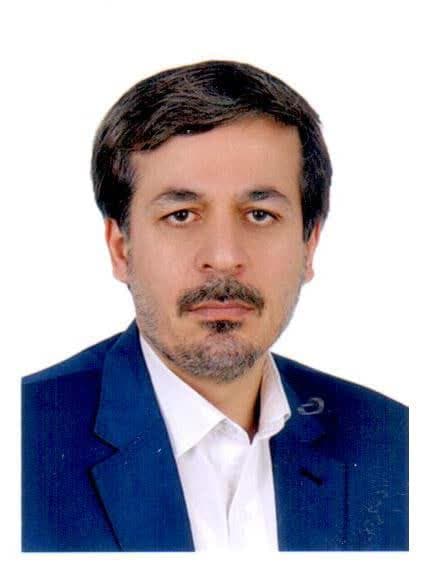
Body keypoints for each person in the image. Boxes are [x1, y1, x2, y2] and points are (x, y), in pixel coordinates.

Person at [21, 60, 408, 552]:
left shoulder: (394, 442)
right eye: (182, 215)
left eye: (260, 214)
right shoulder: (23, 439)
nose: (224, 257)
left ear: (309, 246)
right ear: (121, 249)